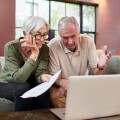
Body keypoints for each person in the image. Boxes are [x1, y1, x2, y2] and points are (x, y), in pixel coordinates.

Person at [48, 16, 111, 108]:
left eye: (73, 36)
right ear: (59, 35)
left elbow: (97, 72)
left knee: (105, 92)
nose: (70, 42)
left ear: (78, 33)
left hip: (81, 83)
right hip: (61, 84)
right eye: (65, 38)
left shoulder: (88, 41)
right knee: (55, 96)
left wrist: (100, 66)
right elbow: (54, 78)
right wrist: (66, 83)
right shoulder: (52, 46)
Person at [0, 16, 52, 111]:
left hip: (28, 83)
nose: (42, 39)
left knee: (43, 88)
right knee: (24, 88)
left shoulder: (44, 48)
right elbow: (18, 78)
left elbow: (40, 72)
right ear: (25, 33)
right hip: (6, 84)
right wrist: (35, 53)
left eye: (44, 35)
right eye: (38, 35)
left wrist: (42, 77)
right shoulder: (11, 47)